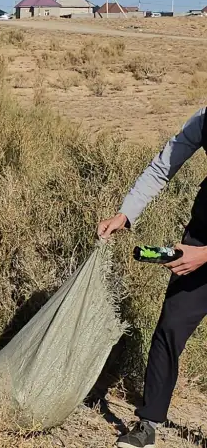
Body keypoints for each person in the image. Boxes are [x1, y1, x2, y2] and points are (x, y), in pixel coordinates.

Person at [97, 106, 207, 448]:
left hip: (202, 252)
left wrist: (205, 256)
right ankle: (147, 424)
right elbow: (162, 167)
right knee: (170, 330)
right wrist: (125, 214)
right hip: (199, 240)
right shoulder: (204, 119)